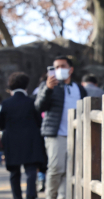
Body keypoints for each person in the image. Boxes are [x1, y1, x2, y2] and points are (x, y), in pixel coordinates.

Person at [35, 56, 87, 199]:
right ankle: (50, 196)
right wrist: (48, 88)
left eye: (62, 66)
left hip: (77, 135)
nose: (59, 69)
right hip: (56, 134)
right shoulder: (47, 86)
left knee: (71, 170)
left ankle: (64, 197)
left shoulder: (79, 88)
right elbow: (39, 106)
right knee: (56, 168)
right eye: (56, 67)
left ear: (71, 69)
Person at [0, 72, 46, 199]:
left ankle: (17, 196)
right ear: (26, 85)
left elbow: (0, 123)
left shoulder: (6, 103)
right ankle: (31, 195)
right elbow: (39, 122)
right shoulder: (32, 102)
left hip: (12, 141)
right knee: (31, 171)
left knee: (14, 173)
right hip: (31, 140)